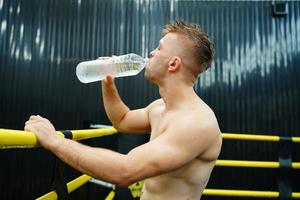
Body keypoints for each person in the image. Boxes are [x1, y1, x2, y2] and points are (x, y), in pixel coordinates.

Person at [25, 20, 222, 200]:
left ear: (173, 64)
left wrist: (54, 140)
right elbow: (122, 119)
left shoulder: (196, 123)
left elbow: (124, 171)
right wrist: (107, 81)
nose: (151, 53)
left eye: (159, 48)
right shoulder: (159, 107)